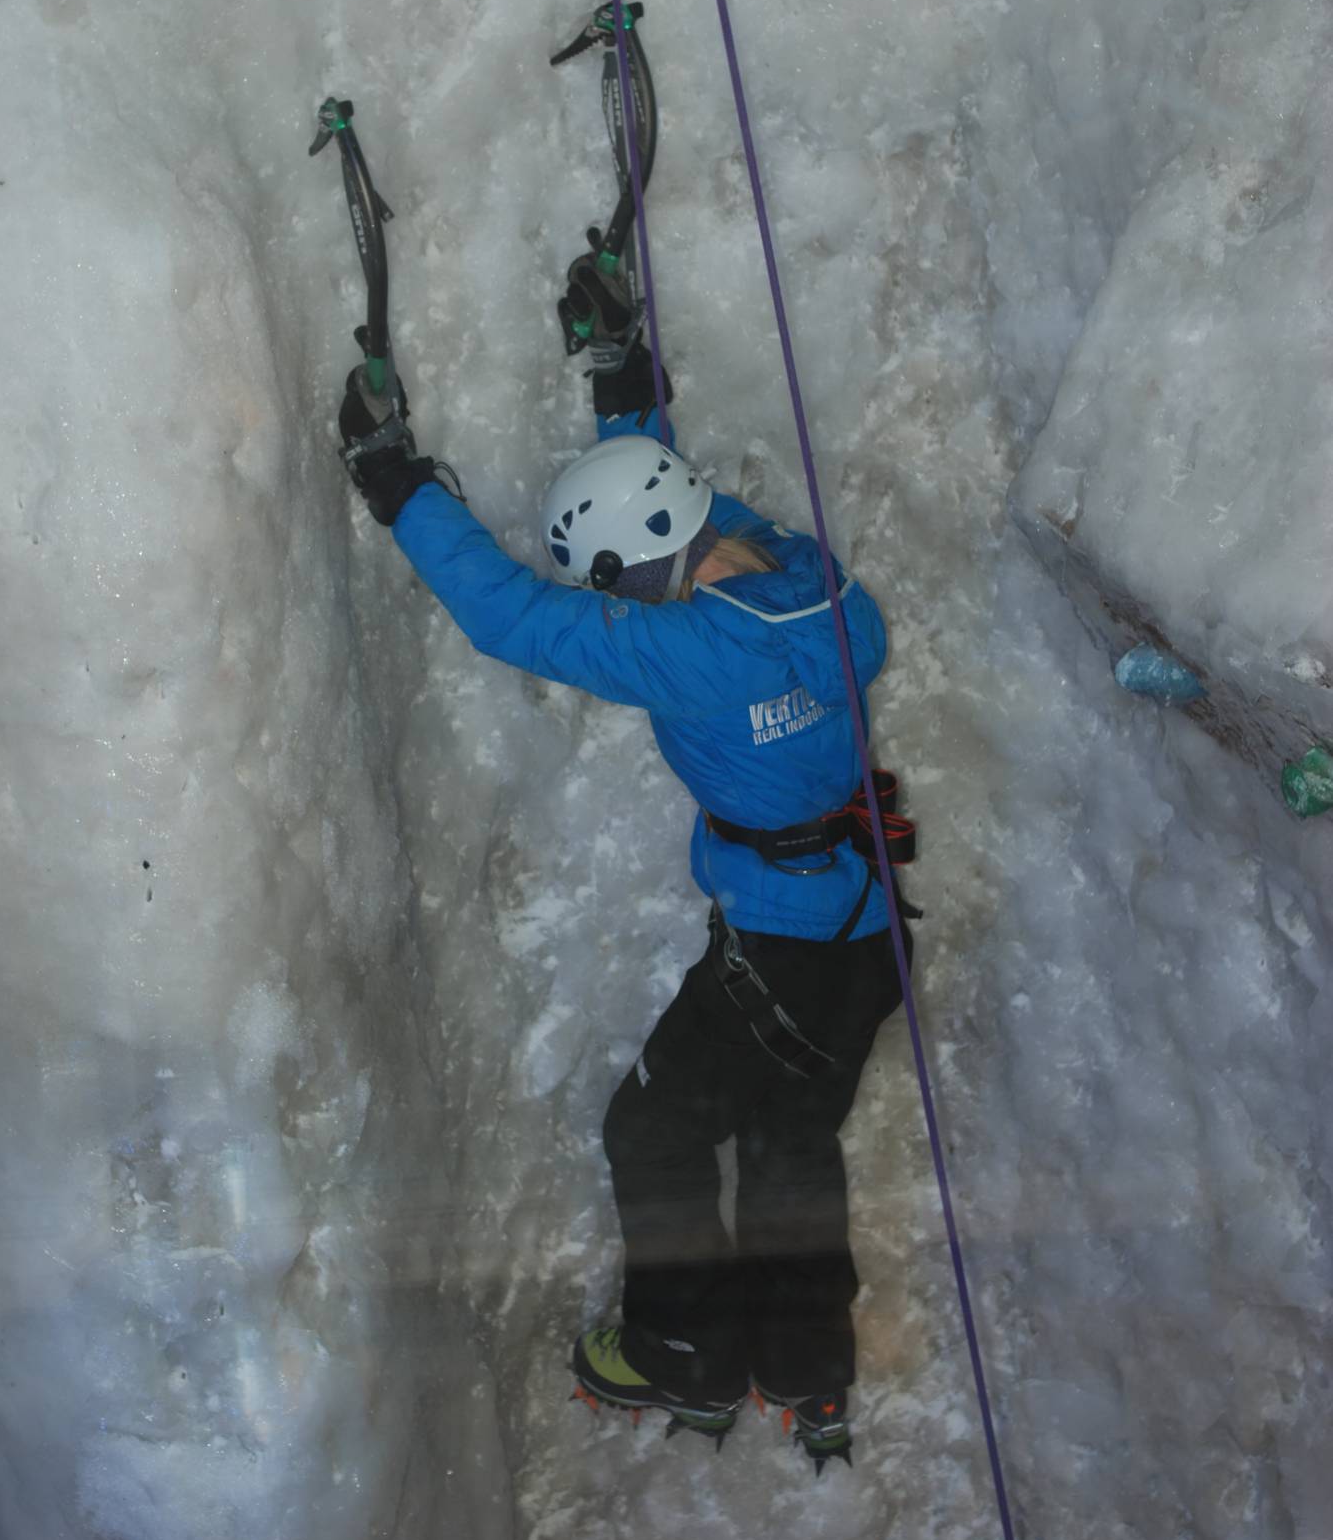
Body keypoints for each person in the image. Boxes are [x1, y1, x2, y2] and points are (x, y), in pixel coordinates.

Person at [336, 252, 915, 1470]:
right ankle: (804, 1369)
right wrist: (622, 380)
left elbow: (511, 616)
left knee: (649, 1136)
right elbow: (684, 512)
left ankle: (681, 1353)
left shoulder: (685, 656)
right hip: (862, 934)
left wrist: (398, 486)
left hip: (780, 943)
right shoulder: (812, 581)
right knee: (789, 1142)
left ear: (636, 588)